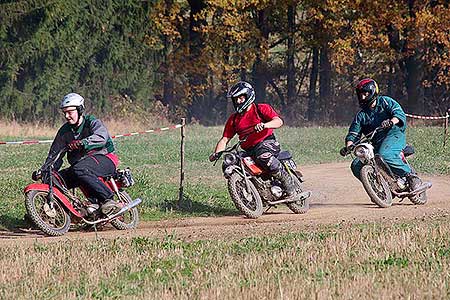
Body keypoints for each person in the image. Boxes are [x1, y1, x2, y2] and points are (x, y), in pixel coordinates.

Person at [34, 93, 121, 215]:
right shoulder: (64, 132)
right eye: (64, 113)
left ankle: (108, 199)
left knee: (79, 168)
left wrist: (82, 143)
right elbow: (55, 153)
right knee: (52, 178)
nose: (67, 116)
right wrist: (45, 170)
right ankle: (55, 214)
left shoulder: (92, 122)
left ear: (79, 110)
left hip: (105, 159)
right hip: (80, 167)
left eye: (70, 112)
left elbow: (102, 137)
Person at [209, 81, 296, 198]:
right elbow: (225, 139)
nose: (238, 101)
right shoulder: (233, 119)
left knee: (263, 156)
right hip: (249, 149)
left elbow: (279, 121)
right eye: (236, 99)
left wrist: (265, 125)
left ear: (248, 95)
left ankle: (288, 184)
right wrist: (217, 153)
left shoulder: (261, 108)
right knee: (229, 163)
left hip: (267, 143)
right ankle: (249, 193)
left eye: (241, 98)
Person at [340, 78, 422, 190]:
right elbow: (353, 134)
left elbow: (399, 113)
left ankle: (410, 176)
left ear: (373, 91)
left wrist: (391, 121)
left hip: (394, 135)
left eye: (365, 93)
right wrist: (349, 145)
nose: (362, 97)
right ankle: (378, 188)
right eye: (360, 94)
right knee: (356, 165)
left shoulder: (385, 101)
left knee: (384, 155)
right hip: (376, 142)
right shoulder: (361, 115)